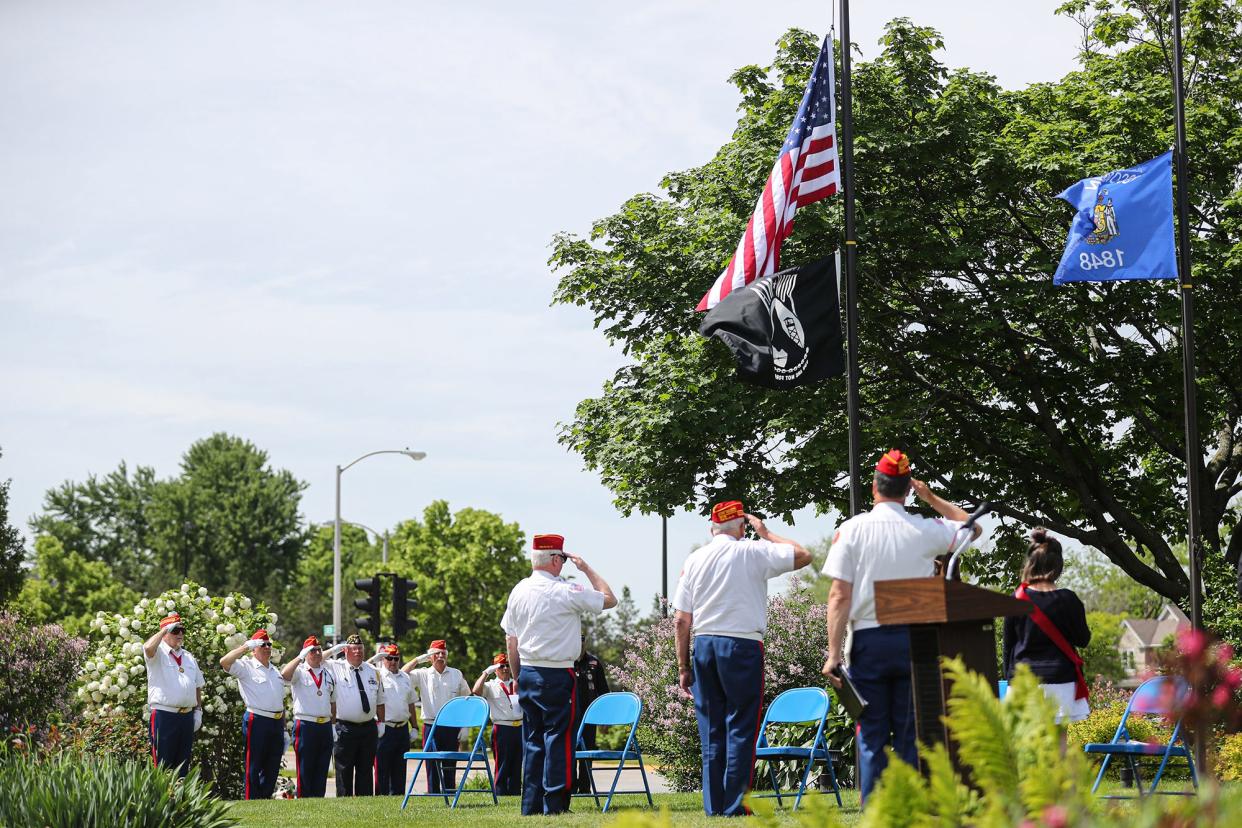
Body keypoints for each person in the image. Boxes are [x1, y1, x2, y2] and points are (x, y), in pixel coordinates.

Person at [821, 448, 981, 801]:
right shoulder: (925, 529)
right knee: (911, 733)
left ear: (874, 487)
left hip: (869, 640)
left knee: (872, 733)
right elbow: (973, 527)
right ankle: (909, 813)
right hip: (916, 640)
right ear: (908, 489)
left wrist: (833, 654)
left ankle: (877, 814)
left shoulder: (851, 530)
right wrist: (932, 497)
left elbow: (838, 596)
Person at [672, 501, 811, 817]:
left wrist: (683, 666)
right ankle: (735, 805)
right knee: (741, 726)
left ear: (712, 528)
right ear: (742, 526)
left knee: (711, 729)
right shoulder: (753, 551)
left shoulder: (694, 559)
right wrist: (766, 532)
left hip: (704, 645)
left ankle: (714, 806)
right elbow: (803, 554)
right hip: (741, 645)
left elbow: (681, 620)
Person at [502, 533, 617, 816]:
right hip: (557, 673)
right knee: (559, 739)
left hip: (527, 671)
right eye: (562, 559)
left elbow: (510, 641)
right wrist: (586, 568)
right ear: (555, 559)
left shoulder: (518, 590)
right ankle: (554, 804)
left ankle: (530, 805)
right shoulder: (566, 590)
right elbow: (609, 599)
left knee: (532, 740)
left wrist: (517, 677)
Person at [1003, 527, 1092, 728]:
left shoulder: (1016, 599)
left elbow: (1008, 649)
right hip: (1060, 680)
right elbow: (1083, 640)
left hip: (1024, 680)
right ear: (1058, 565)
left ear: (1030, 564)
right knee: (1059, 745)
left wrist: (1010, 683)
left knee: (1029, 746)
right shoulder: (1068, 599)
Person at [220, 629, 287, 800]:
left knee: (272, 763)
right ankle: (252, 799)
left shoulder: (275, 670)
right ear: (253, 649)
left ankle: (265, 798)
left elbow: (279, 700)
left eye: (268, 644)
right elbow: (224, 662)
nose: (266, 647)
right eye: (261, 645)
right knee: (254, 762)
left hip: (276, 722)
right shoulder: (246, 666)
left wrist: (284, 727)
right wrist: (245, 646)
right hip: (257, 719)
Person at [401, 638, 471, 794]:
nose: (440, 656)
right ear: (430, 656)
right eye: (436, 653)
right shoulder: (423, 674)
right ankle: (433, 794)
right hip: (431, 725)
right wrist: (418, 660)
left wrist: (464, 725)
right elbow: (401, 674)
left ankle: (451, 794)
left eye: (443, 653)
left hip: (452, 726)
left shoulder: (456, 674)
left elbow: (467, 699)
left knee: (450, 763)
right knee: (431, 764)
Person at [322, 634, 386, 796]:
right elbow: (316, 659)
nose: (358, 651)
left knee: (365, 768)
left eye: (360, 648)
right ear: (345, 651)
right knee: (344, 768)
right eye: (354, 648)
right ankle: (344, 801)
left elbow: (380, 700)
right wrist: (333, 650)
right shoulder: (336, 666)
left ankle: (364, 802)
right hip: (345, 727)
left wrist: (382, 723)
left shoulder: (372, 671)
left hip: (368, 727)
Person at [142, 613, 204, 778]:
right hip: (164, 715)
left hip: (186, 717)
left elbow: (197, 685)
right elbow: (147, 648)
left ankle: (181, 802)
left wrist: (198, 711)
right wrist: (163, 631)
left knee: (183, 764)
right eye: (176, 630)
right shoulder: (158, 653)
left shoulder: (189, 657)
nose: (180, 634)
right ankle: (163, 802)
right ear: (166, 632)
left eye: (182, 630)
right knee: (163, 764)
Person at [280, 635, 336, 798]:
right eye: (312, 650)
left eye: (319, 649)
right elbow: (284, 675)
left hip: (324, 725)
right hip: (306, 724)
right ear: (306, 653)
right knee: (305, 766)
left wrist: (333, 725)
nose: (317, 653)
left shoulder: (328, 674)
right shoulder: (300, 671)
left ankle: (319, 799)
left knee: (322, 766)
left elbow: (333, 701)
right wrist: (299, 657)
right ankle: (304, 798)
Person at [472, 653, 523, 795]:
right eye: (501, 666)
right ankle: (500, 791)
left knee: (517, 762)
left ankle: (515, 792)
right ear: (495, 669)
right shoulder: (491, 685)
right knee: (502, 762)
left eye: (507, 665)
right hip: (502, 727)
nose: (505, 669)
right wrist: (485, 673)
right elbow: (476, 690)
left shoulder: (517, 683)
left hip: (520, 726)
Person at [372, 643, 417, 796]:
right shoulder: (377, 675)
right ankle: (381, 799)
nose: (392, 662)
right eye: (389, 658)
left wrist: (415, 727)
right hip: (386, 728)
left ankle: (398, 798)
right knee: (382, 769)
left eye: (395, 658)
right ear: (383, 659)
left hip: (403, 728)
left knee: (400, 768)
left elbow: (410, 703)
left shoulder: (405, 677)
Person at [571, 634, 611, 794]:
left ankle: (585, 788)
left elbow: (603, 691)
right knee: (571, 753)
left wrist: (605, 719)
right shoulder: (566, 661)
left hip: (590, 717)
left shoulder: (594, 663)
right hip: (571, 716)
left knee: (587, 754)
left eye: (582, 640)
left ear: (585, 642)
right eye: (576, 639)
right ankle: (571, 788)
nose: (579, 643)